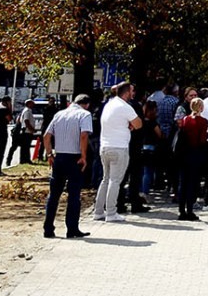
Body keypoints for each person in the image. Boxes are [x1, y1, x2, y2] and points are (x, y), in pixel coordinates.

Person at [42, 94, 93, 239]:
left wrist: (49, 154)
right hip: (74, 157)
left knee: (54, 195)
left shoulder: (59, 114)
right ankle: (72, 229)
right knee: (74, 194)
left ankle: (48, 229)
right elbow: (84, 136)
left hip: (59, 157)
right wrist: (84, 156)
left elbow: (46, 136)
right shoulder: (84, 114)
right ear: (86, 104)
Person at [95, 81, 142, 225]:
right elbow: (138, 124)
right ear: (127, 92)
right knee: (115, 181)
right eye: (132, 91)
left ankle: (98, 211)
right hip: (119, 147)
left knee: (105, 179)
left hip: (105, 146)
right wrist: (130, 126)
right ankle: (111, 212)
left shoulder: (109, 104)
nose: (133, 94)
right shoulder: (125, 107)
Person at [174, 96, 208, 220]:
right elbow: (202, 140)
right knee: (193, 183)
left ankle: (181, 210)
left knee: (182, 182)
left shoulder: (185, 119)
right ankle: (190, 210)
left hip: (184, 153)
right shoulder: (203, 121)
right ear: (201, 107)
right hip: (196, 153)